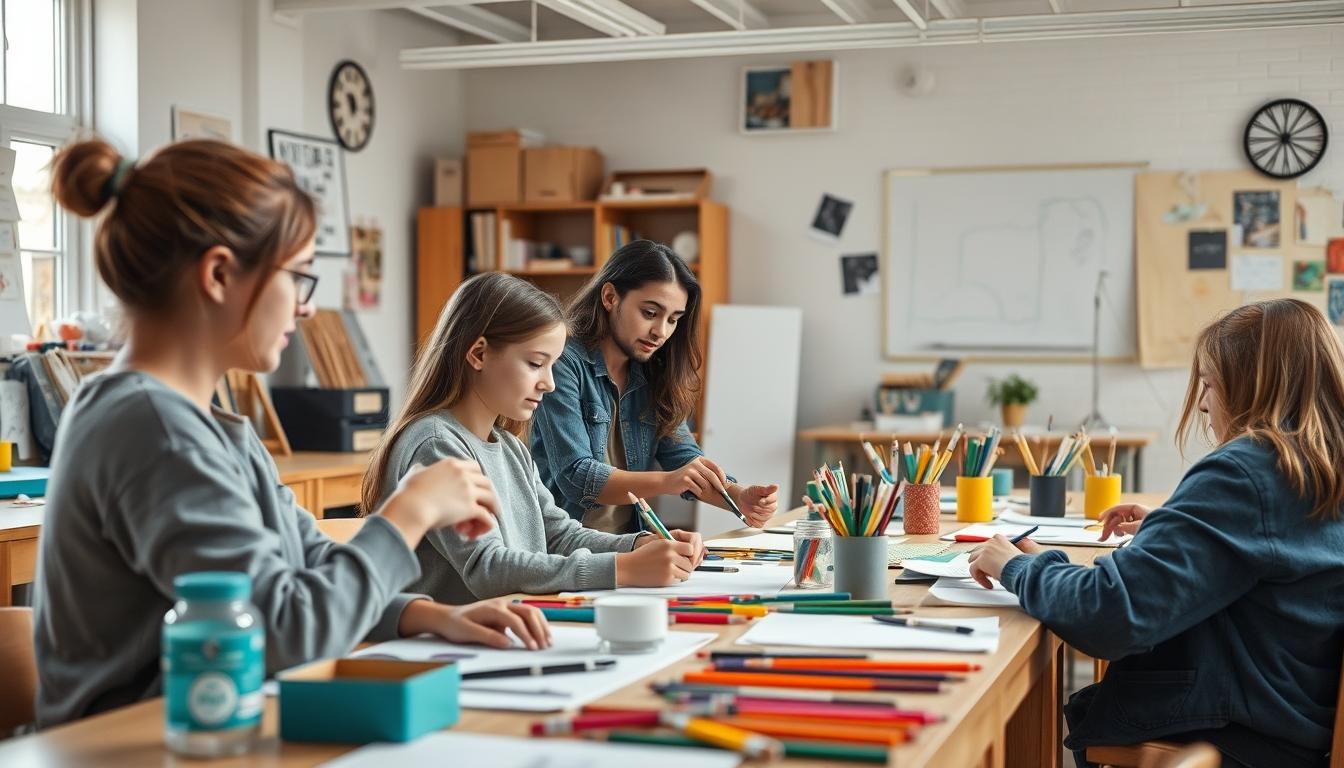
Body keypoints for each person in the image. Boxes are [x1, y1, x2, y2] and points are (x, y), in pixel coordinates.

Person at [33, 139, 548, 728]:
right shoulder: (154, 430)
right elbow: (284, 631)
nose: (306, 310)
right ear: (221, 273)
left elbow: (310, 567)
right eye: (300, 278)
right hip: (136, 745)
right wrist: (408, 513)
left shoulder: (211, 426)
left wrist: (424, 615)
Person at [968, 299, 1344, 768]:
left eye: (1209, 383)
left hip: (1237, 736)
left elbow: (1107, 614)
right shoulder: (1318, 465)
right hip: (1294, 719)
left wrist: (1016, 565)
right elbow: (1275, 548)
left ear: (1252, 383)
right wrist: (1174, 525)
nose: (1204, 402)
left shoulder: (1246, 472)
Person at [363, 272, 705, 604]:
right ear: (479, 354)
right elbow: (488, 568)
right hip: (441, 647)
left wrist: (638, 545)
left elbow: (558, 535)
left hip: (501, 630)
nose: (549, 383)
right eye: (535, 364)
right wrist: (621, 568)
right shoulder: (437, 445)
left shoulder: (510, 447)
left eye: (552, 366)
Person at [530, 239, 778, 534]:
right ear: (610, 297)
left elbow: (684, 459)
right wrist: (669, 481)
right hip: (566, 550)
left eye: (673, 319)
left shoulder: (654, 372)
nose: (661, 332)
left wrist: (738, 496)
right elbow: (577, 476)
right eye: (650, 313)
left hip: (630, 543)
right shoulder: (562, 362)